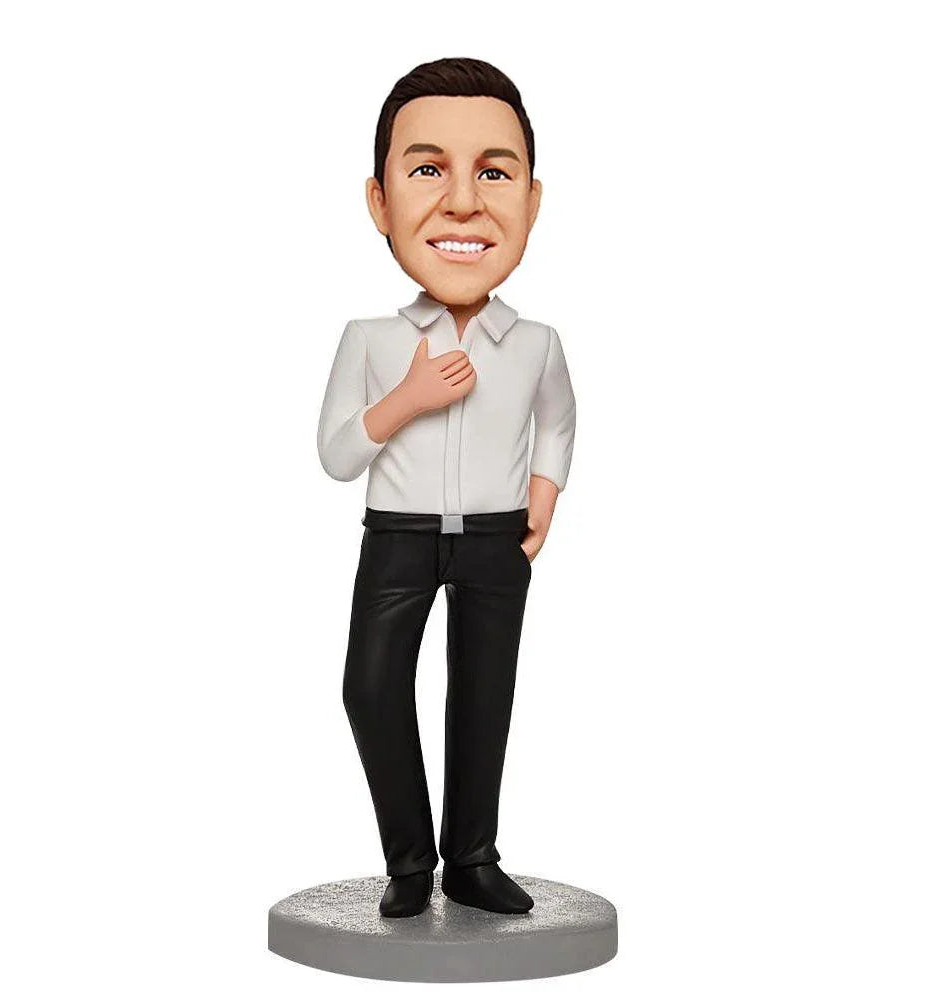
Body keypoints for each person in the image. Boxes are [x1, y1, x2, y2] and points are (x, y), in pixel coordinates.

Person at [317, 57, 576, 918]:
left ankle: (471, 859)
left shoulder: (535, 342)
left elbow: (559, 418)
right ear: (380, 201)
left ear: (531, 202)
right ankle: (407, 863)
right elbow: (338, 455)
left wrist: (545, 491)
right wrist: (408, 399)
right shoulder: (371, 339)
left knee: (484, 695)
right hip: (398, 535)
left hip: (498, 539)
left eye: (494, 174)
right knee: (370, 687)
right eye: (428, 169)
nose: (463, 202)